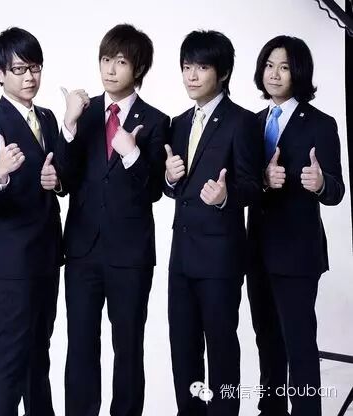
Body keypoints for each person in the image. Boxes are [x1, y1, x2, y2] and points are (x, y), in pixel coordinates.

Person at [57, 23, 169, 416]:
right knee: (80, 345)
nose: (109, 69)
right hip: (82, 250)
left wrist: (131, 154)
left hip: (130, 254)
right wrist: (68, 126)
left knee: (128, 348)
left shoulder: (156, 120)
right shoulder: (84, 114)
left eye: (120, 62)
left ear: (139, 69)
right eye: (106, 59)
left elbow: (154, 190)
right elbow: (64, 180)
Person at [164, 30, 262, 416]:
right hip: (181, 260)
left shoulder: (242, 122)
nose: (191, 75)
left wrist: (225, 197)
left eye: (201, 67)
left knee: (221, 350)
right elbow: (174, 187)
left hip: (221, 259)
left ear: (222, 73)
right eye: (186, 66)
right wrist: (169, 177)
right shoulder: (179, 122)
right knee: (183, 350)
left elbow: (253, 186)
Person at [247, 35, 345, 416]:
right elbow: (244, 183)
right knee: (266, 342)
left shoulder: (320, 124)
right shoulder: (253, 123)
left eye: (284, 67)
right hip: (257, 251)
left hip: (297, 254)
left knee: (299, 346)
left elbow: (336, 190)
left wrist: (320, 184)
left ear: (298, 72)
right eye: (269, 65)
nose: (274, 74)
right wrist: (260, 180)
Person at [0, 27, 62, 416]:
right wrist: (0, 174)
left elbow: (59, 175)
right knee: (10, 351)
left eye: (35, 68)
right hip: (14, 256)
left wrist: (58, 181)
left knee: (40, 348)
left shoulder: (48, 118)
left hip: (48, 252)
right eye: (20, 69)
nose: (30, 77)